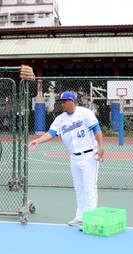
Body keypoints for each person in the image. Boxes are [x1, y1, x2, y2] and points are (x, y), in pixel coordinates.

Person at [21, 65, 105, 231]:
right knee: (79, 189)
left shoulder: (85, 113)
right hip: (74, 157)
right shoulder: (60, 119)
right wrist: (38, 140)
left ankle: (91, 220)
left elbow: (97, 130)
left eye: (63, 102)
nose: (61, 104)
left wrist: (101, 147)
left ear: (71, 101)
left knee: (89, 189)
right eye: (60, 102)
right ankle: (80, 217)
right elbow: (52, 133)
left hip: (89, 156)